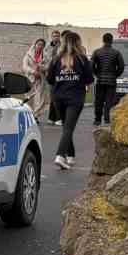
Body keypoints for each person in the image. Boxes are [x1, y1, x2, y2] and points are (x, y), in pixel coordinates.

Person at [46, 30, 93, 170]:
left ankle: (70, 156)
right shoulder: (82, 59)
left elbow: (49, 79)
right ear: (78, 43)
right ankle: (60, 155)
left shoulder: (56, 59)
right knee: (68, 128)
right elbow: (89, 79)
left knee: (67, 127)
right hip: (75, 97)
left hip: (58, 97)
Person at [91, 31, 124, 127]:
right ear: (112, 41)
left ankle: (97, 120)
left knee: (99, 100)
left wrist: (96, 74)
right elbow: (121, 67)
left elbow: (91, 65)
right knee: (109, 101)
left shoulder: (97, 52)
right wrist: (115, 75)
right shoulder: (116, 53)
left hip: (100, 80)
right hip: (111, 81)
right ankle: (107, 119)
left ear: (103, 40)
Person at [22, 37, 49, 119]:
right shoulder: (28, 55)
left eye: (42, 45)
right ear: (35, 44)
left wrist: (41, 68)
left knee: (39, 98)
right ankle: (29, 114)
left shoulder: (45, 55)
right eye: (39, 44)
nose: (40, 46)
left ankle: (35, 116)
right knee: (29, 97)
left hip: (40, 79)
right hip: (30, 79)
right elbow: (24, 66)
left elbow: (48, 66)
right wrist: (33, 71)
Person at [47, 29, 63, 124]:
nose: (55, 37)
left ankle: (56, 118)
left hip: (57, 73)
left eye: (57, 36)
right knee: (53, 96)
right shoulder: (48, 47)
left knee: (56, 96)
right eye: (54, 36)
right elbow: (45, 59)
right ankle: (53, 118)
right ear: (51, 36)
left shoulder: (61, 46)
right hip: (50, 72)